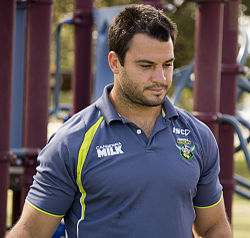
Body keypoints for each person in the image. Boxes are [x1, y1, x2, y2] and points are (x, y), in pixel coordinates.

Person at [7, 4, 232, 238]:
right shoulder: (72, 141)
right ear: (115, 62)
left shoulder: (197, 136)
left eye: (167, 64)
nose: (161, 78)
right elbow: (31, 231)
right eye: (146, 66)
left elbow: (213, 226)